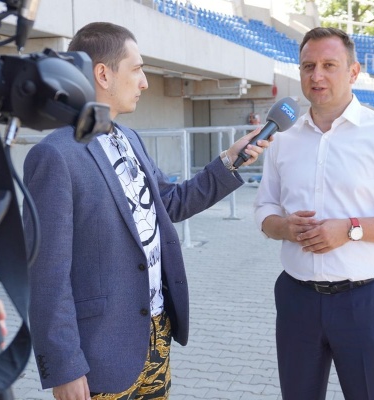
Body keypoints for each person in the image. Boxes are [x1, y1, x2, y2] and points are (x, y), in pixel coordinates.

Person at [23, 22, 270, 400]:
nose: (145, 82)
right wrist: (64, 366)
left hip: (154, 338)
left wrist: (229, 161)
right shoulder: (55, 156)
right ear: (103, 74)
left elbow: (170, 202)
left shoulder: (129, 138)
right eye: (137, 69)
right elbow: (47, 276)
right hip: (98, 357)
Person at [254, 26, 374, 400]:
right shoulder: (282, 138)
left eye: (329, 65)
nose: (316, 75)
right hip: (297, 299)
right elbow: (265, 208)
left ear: (353, 72)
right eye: (307, 66)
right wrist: (284, 227)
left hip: (366, 302)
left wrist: (349, 230)